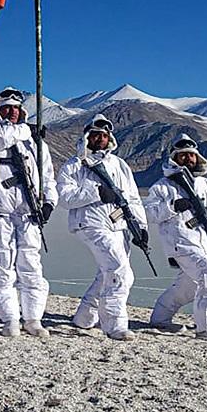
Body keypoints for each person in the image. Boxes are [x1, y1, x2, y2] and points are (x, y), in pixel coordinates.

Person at [0, 86, 58, 338]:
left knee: (31, 265)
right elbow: (2, 139)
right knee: (3, 265)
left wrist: (49, 203)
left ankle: (33, 318)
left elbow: (48, 176)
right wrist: (28, 130)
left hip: (27, 211)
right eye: (6, 108)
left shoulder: (35, 143)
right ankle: (9, 318)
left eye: (16, 108)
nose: (11, 112)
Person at [57, 114, 146, 341]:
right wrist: (95, 193)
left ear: (110, 138)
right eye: (95, 135)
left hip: (119, 225)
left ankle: (84, 317)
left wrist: (140, 226)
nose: (99, 139)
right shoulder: (74, 164)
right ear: (87, 136)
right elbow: (65, 197)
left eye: (103, 135)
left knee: (110, 273)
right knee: (118, 269)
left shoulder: (119, 165)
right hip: (89, 223)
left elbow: (133, 198)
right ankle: (115, 326)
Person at [146, 135, 207, 339]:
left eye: (191, 155)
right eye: (182, 155)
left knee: (188, 287)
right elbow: (149, 213)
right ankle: (206, 328)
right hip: (180, 243)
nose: (188, 158)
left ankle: (160, 317)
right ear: (174, 158)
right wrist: (172, 207)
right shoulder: (162, 186)